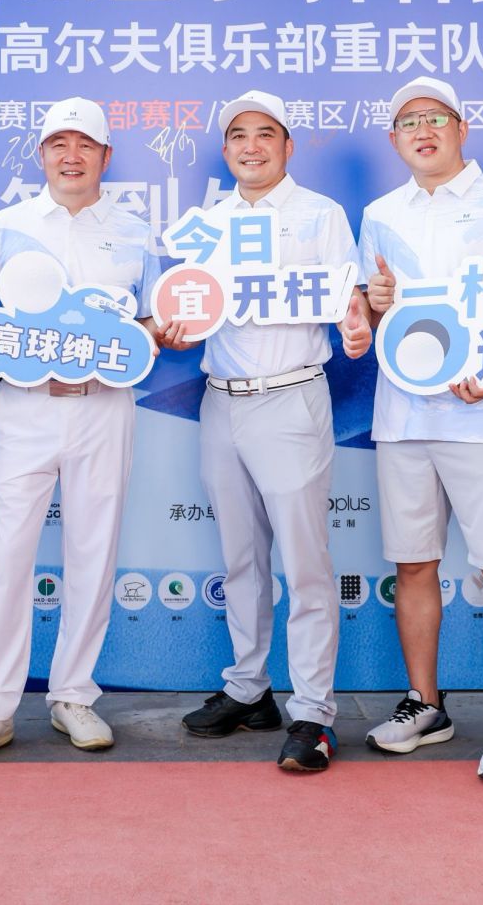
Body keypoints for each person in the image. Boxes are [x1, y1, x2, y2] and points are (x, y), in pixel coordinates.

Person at [0, 97, 161, 765]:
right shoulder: (9, 224)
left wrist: (152, 336)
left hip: (104, 406)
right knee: (10, 556)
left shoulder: (134, 231)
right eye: (59, 143)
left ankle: (73, 696)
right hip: (25, 407)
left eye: (85, 144)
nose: (71, 155)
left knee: (93, 551)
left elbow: (149, 321)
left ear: (105, 156)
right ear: (41, 154)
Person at [358, 77, 483, 784]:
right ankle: (426, 703)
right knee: (413, 563)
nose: (423, 130)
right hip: (402, 414)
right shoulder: (380, 213)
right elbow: (376, 315)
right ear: (394, 139)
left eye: (435, 117)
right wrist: (374, 303)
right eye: (408, 121)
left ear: (461, 128)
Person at [168, 90, 370, 773]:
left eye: (264, 134)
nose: (250, 146)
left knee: (305, 564)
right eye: (237, 135)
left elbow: (349, 299)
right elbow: (184, 306)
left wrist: (355, 325)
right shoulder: (205, 225)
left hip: (289, 398)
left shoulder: (319, 214)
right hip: (220, 400)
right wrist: (174, 327)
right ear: (224, 150)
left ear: (287, 145)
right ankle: (248, 688)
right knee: (241, 558)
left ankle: (313, 711)